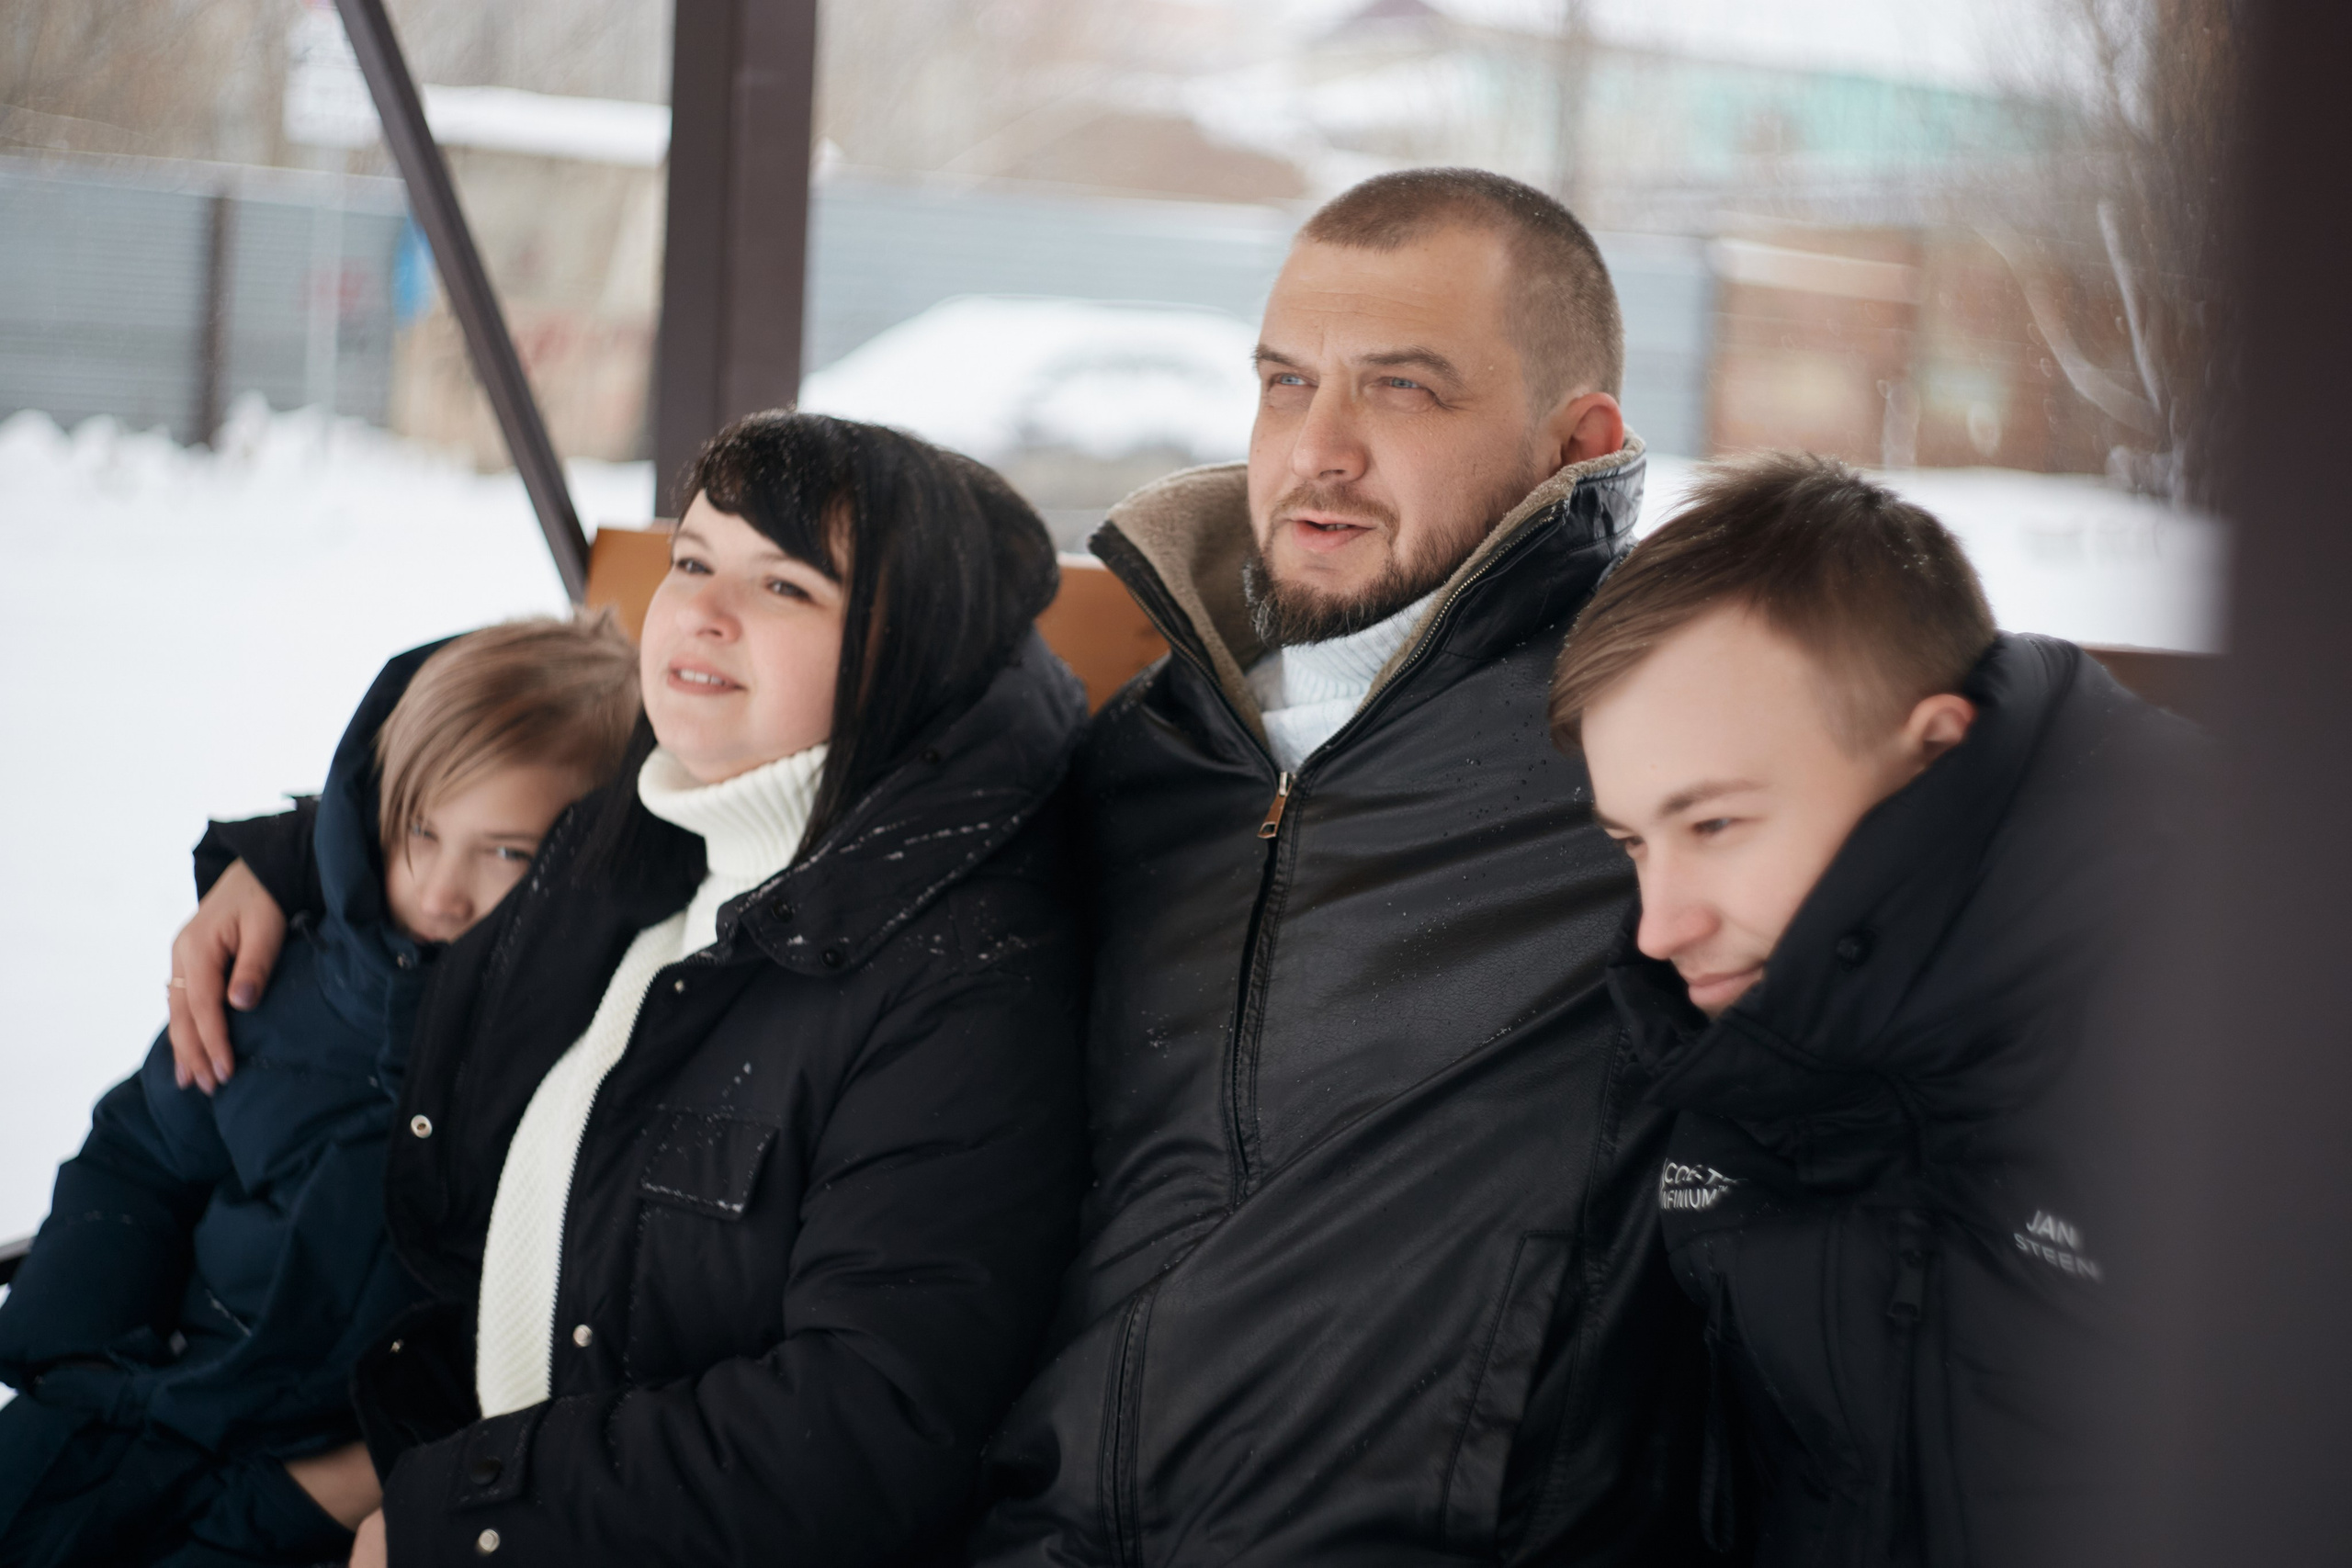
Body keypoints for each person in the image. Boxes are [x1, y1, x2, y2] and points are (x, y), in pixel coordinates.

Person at [159, 412, 1091, 1565]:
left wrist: (469, 1518)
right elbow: (466, 791)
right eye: (692, 561)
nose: (701, 609)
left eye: (786, 587)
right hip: (402, 1455)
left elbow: (866, 1425)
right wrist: (278, 863)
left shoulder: (962, 984)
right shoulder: (647, 827)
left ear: (909, 654)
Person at [969, 168, 1709, 1563]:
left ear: (1576, 442)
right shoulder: (1142, 757)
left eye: (1402, 391)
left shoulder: (1654, 760)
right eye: (1284, 381)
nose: (1319, 448)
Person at [1548, 453, 2193, 1564]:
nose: (1659, 928)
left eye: (1713, 826)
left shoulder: (2238, 1024)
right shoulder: (1719, 1066)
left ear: (1933, 752)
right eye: (1633, 844)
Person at [0, 616, 641, 1567]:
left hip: (321, 1477)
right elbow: (141, 1151)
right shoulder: (291, 981)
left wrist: (336, 1482)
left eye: (506, 854)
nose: (442, 889)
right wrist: (78, 1351)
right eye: (420, 832)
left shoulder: (592, 1054)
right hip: (128, 1400)